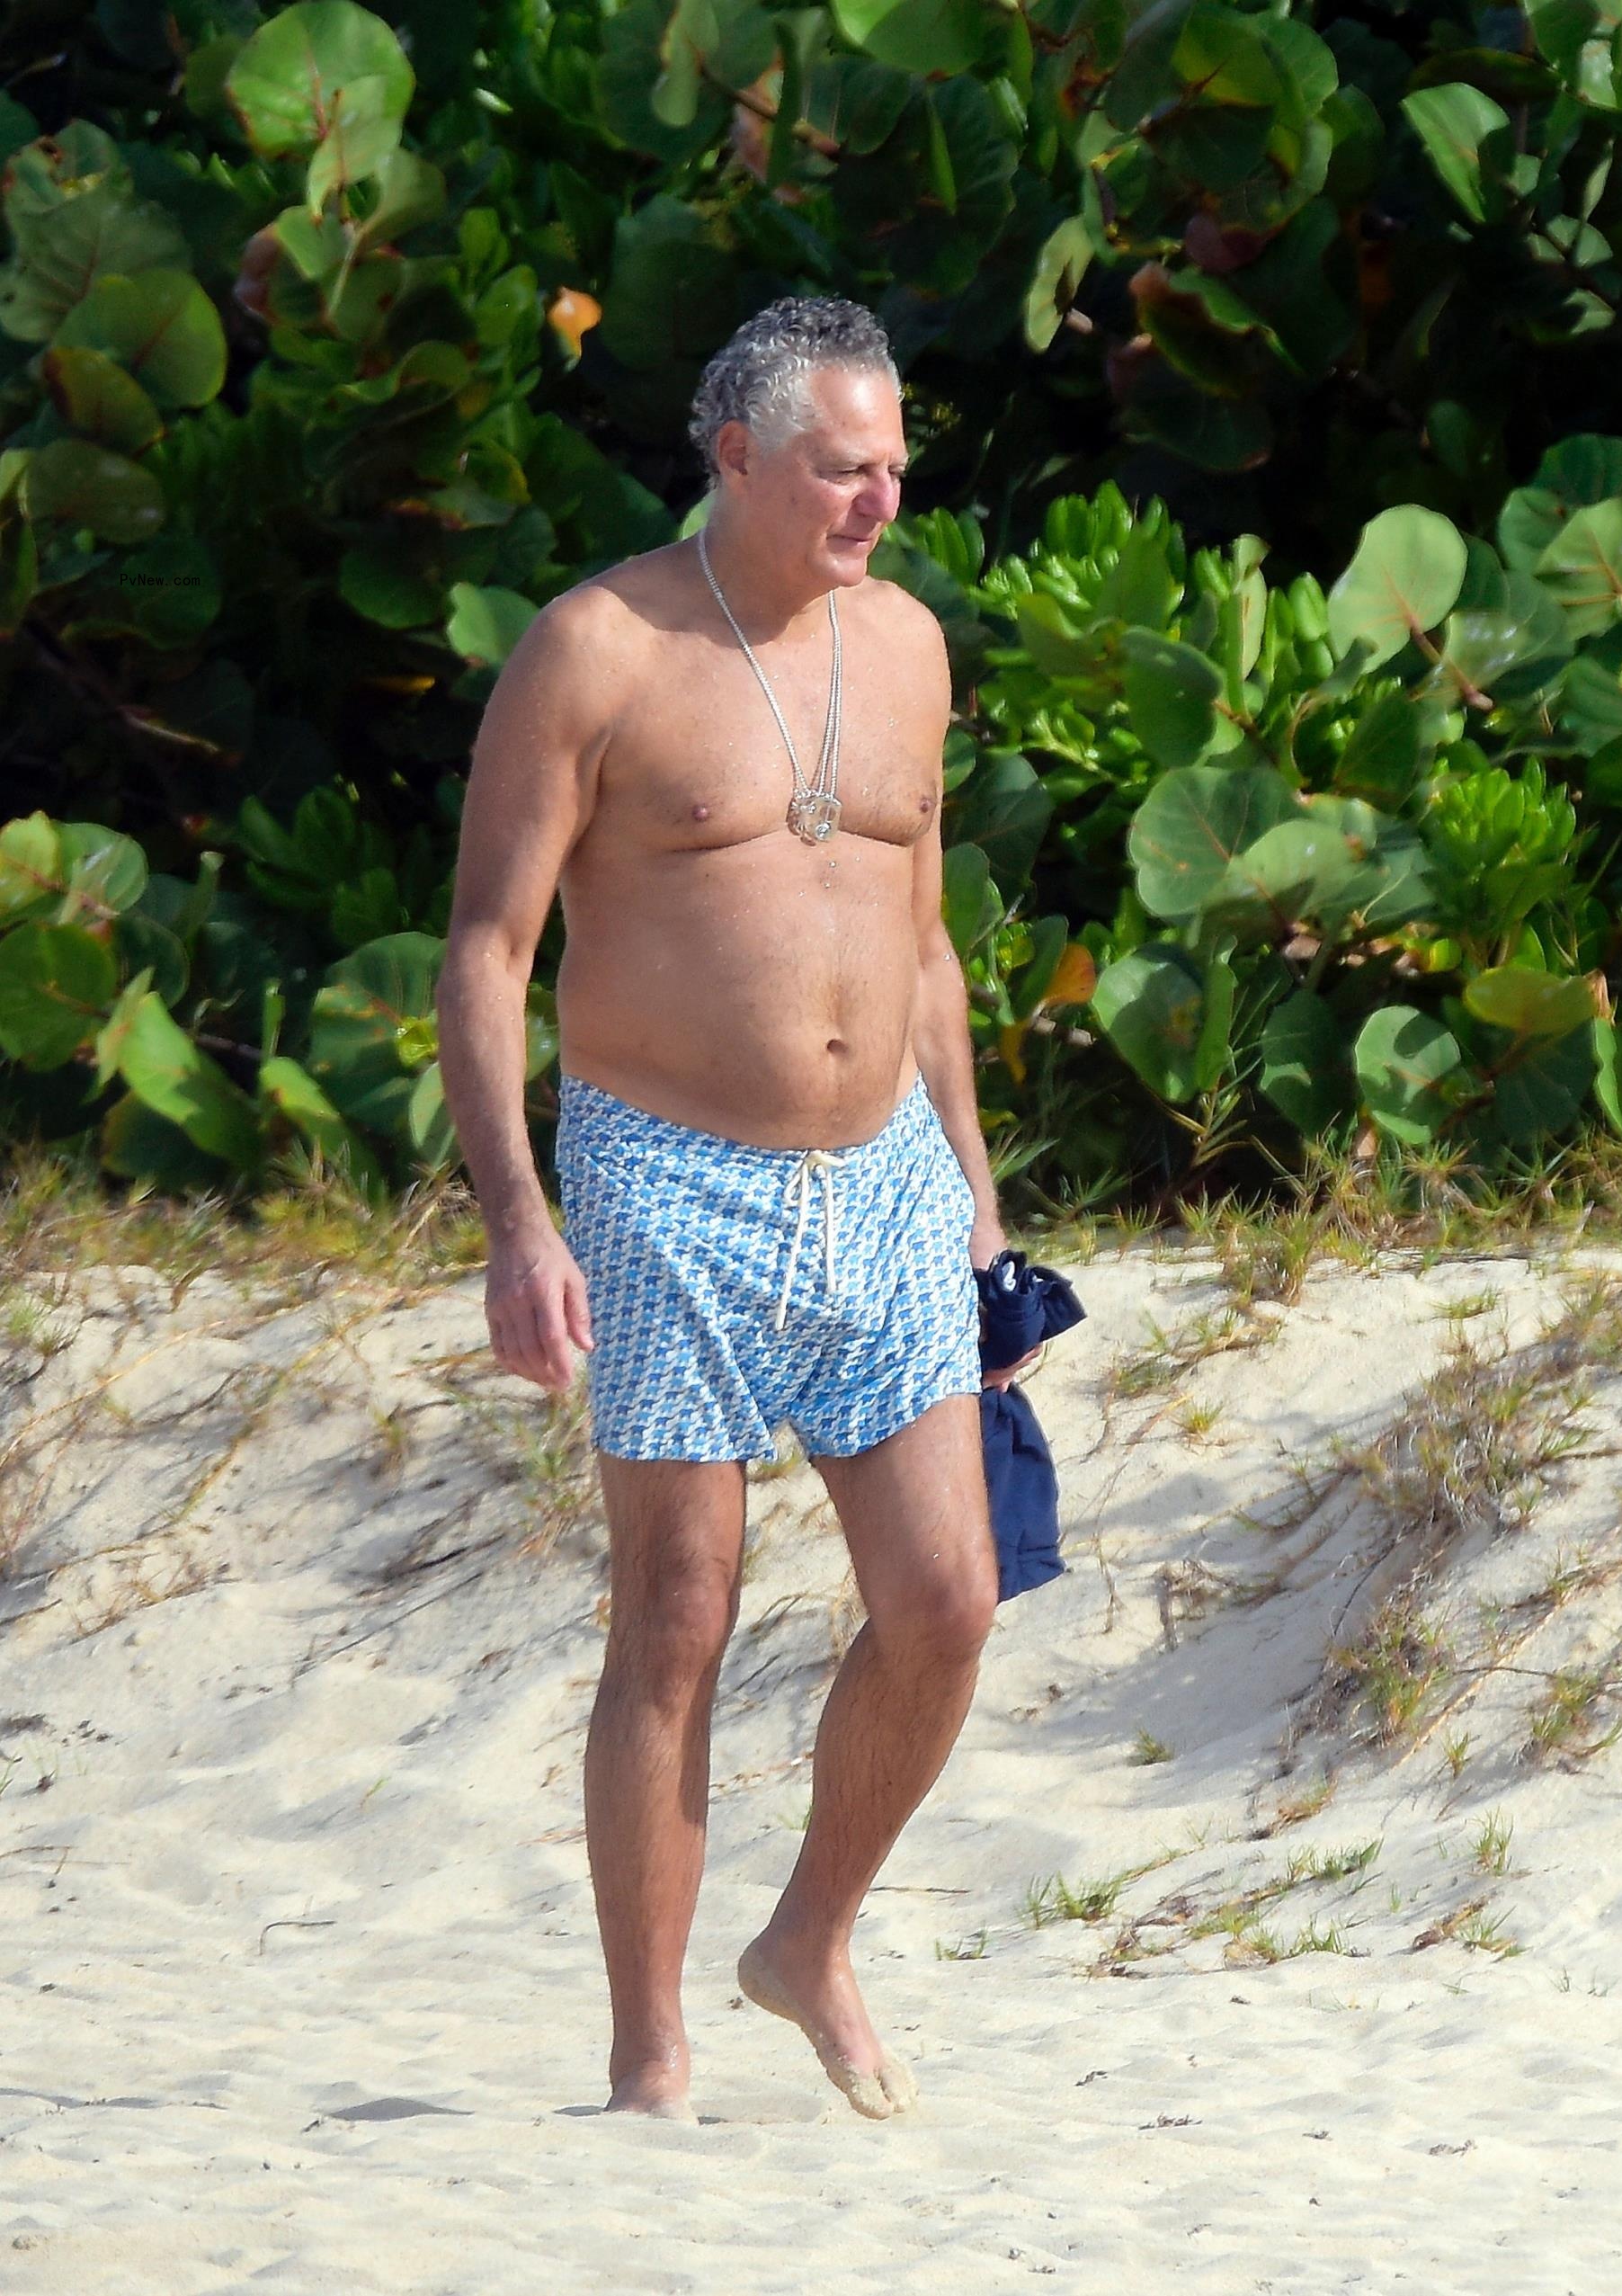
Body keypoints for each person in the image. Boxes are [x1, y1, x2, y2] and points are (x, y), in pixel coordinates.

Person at [435, 297, 1036, 2124]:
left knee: (948, 1596)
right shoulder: (598, 646)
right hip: (664, 1175)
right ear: (743, 455)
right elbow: (487, 947)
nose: (883, 497)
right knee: (679, 1615)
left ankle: (809, 1938)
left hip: (884, 1181)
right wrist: (516, 1217)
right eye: (848, 467)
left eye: (899, 464)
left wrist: (980, 1206)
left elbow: (923, 945)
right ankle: (650, 2055)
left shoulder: (913, 646)